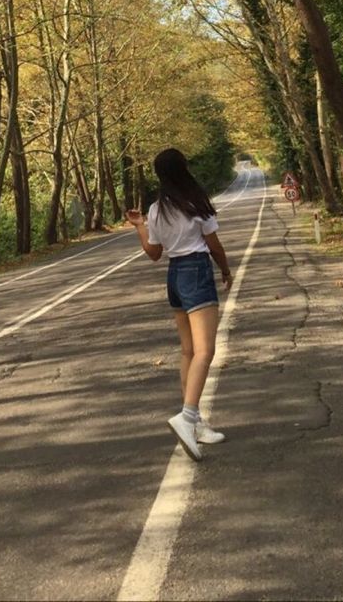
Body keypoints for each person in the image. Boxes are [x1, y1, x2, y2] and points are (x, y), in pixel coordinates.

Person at [126, 147, 233, 462]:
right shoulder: (196, 202)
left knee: (188, 351)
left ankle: (196, 423)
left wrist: (139, 226)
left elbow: (154, 253)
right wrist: (225, 270)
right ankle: (187, 417)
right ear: (184, 168)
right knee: (205, 351)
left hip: (174, 276)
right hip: (196, 271)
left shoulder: (157, 209)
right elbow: (214, 245)